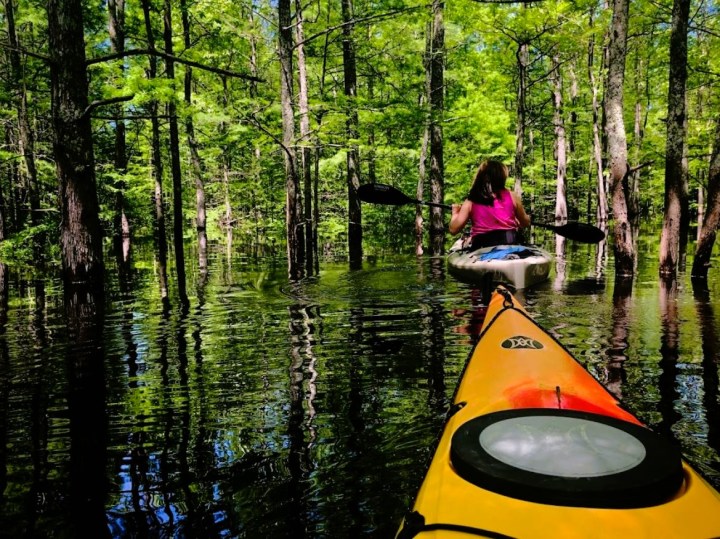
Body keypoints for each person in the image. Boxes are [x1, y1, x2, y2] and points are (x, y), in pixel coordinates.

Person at [449, 159, 531, 249]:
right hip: (509, 242)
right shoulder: (512, 196)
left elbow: (453, 229)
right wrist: (521, 220)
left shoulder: (470, 201)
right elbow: (525, 223)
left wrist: (455, 213)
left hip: (482, 245)